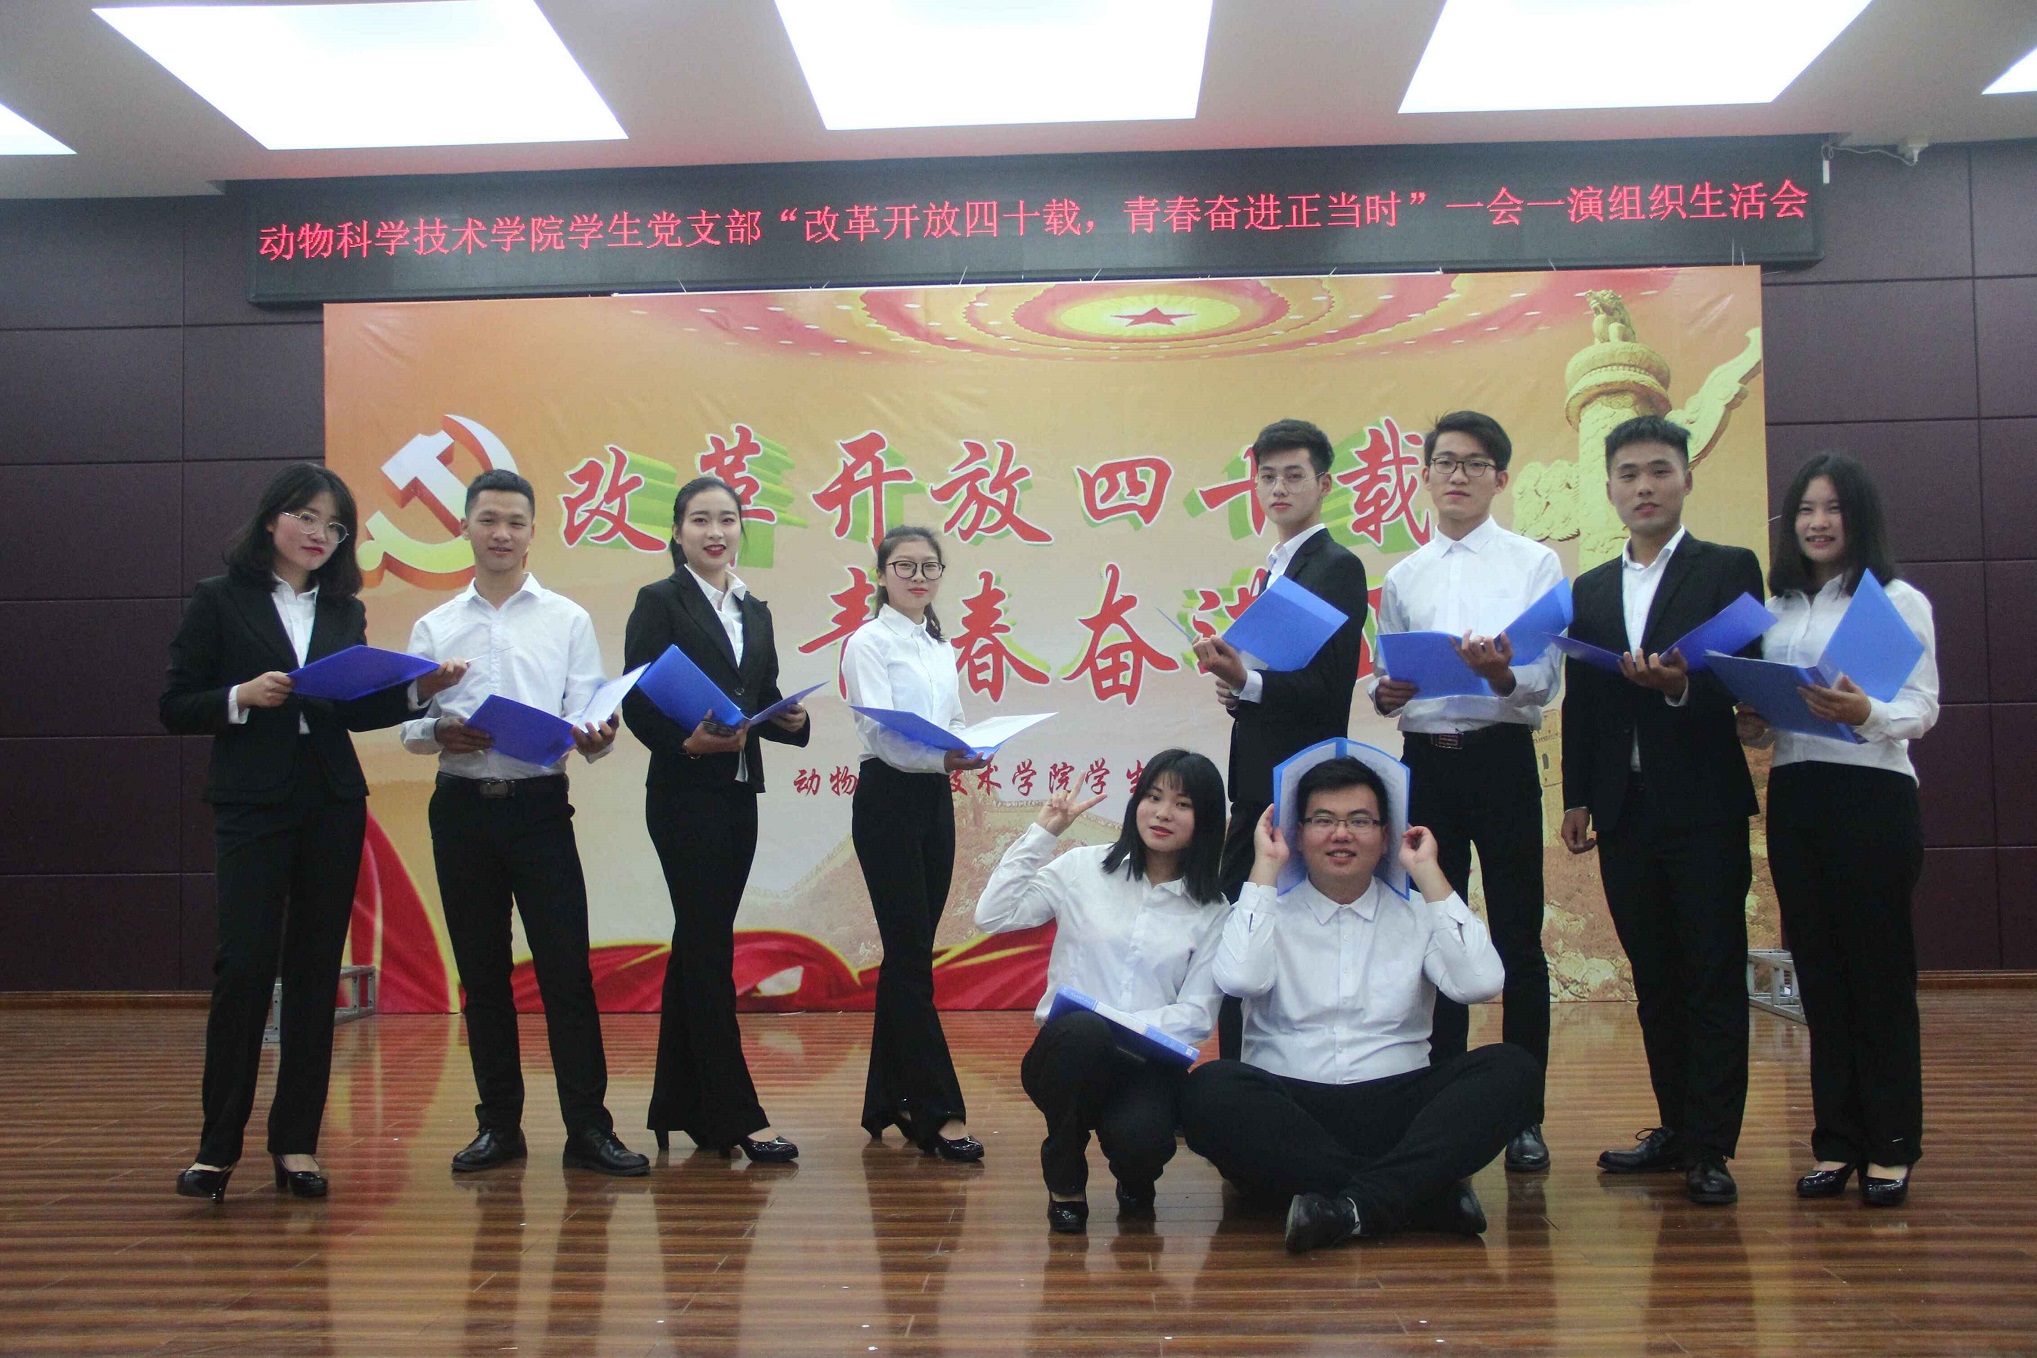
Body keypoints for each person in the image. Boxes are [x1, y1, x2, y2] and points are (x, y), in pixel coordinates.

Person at [162, 463, 462, 1202]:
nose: (319, 535)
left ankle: (296, 1143)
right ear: (272, 519)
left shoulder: (342, 610)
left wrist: (419, 690)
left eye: (334, 526)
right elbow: (176, 704)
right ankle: (216, 1148)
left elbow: (351, 711)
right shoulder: (218, 599)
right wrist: (239, 695)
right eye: (306, 518)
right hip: (252, 802)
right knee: (243, 965)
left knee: (314, 970)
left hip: (330, 799)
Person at [1176, 755, 1538, 1252]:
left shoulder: (1419, 913)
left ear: (1387, 836)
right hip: (1291, 1111)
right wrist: (1264, 869)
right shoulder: (1262, 909)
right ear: (1297, 833)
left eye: (1360, 821)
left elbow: (1481, 982)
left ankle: (1347, 1207)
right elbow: (1239, 978)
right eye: (1323, 820)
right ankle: (1414, 1196)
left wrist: (1429, 873)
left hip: (1397, 1109)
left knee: (1514, 1069)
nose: (1341, 834)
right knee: (1208, 1091)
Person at [403, 469, 647, 1177]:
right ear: (465, 527)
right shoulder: (435, 626)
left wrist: (597, 736)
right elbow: (409, 725)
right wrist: (438, 732)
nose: (501, 533)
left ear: (533, 531)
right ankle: (499, 1126)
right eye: (488, 519)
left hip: (540, 808)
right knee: (482, 975)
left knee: (566, 971)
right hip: (460, 809)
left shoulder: (566, 619)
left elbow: (589, 715)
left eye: (514, 521)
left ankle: (589, 1129)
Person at [1558, 414, 1765, 1207]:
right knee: (1653, 976)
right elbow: (1583, 697)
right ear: (1609, 488)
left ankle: (1711, 1147)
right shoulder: (1589, 588)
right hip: (1623, 809)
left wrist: (1680, 687)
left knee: (1710, 973)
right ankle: (1675, 1128)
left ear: (1685, 478)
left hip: (1702, 802)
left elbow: (1747, 677)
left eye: (1657, 471)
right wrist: (1578, 795)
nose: (1643, 486)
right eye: (1628, 474)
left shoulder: (1726, 567)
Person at [1740, 453, 1938, 1206]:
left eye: (1832, 509)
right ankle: (1834, 1142)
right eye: (1805, 510)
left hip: (1872, 795)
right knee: (1819, 975)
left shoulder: (1897, 601)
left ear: (1858, 519)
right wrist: (1754, 721)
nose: (1817, 523)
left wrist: (1867, 713)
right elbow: (1773, 721)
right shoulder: (1778, 608)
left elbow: (1922, 707)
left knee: (1877, 976)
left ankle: (1891, 1146)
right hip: (1797, 794)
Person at [1371, 410, 1564, 1172]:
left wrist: (1500, 674)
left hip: (1500, 758)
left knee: (1516, 935)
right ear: (1423, 475)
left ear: (1499, 478)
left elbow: (1543, 682)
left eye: (1474, 463)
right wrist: (1385, 694)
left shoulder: (1534, 564)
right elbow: (1388, 684)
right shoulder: (1403, 576)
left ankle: (1522, 1114)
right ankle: (1440, 1106)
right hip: (1426, 764)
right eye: (1444, 462)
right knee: (1433, 933)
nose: (1457, 475)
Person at [621, 475, 812, 1163]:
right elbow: (635, 698)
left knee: (699, 944)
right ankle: (736, 1114)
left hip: (737, 792)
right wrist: (684, 743)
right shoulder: (660, 601)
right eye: (700, 519)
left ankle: (679, 1105)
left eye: (727, 519)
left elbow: (759, 693)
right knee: (709, 947)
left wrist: (791, 719)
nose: (715, 531)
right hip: (682, 793)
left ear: (740, 530)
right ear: (676, 533)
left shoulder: (753, 610)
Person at [973, 749, 1230, 1233]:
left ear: (1207, 820)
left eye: (1183, 804)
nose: (1163, 813)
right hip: (1067, 1053)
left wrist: (1120, 1026)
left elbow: (1197, 1014)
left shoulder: (1213, 909)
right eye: (1154, 797)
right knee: (1085, 1033)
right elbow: (993, 915)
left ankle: (1136, 1177)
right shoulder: (1083, 868)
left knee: (1142, 1140)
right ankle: (1065, 1180)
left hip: (1144, 1063)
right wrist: (1043, 832)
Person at [1191, 418, 1370, 1057]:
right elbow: (1280, 684)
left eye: (1294, 475)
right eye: (1267, 476)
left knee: (1271, 933)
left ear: (1324, 484)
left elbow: (1328, 689)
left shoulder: (1335, 567)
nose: (1278, 488)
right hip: (1261, 778)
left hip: (1300, 782)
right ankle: (1242, 1068)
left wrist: (1249, 682)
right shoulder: (1281, 568)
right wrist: (1241, 690)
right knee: (1247, 930)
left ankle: (1263, 1070)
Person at [843, 526, 989, 1161]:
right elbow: (881, 734)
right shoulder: (867, 643)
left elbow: (951, 720)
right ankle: (939, 1111)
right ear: (881, 575)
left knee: (912, 953)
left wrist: (969, 746)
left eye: (930, 566)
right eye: (905, 566)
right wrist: (944, 755)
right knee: (908, 954)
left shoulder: (938, 644)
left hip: (934, 798)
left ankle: (888, 1098)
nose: (919, 576)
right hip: (888, 799)